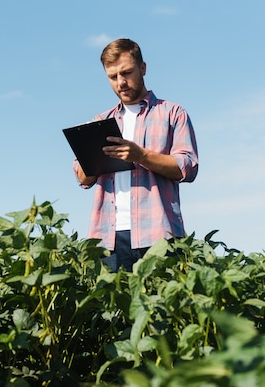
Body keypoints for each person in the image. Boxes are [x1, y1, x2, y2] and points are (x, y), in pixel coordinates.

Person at [73, 38, 199, 272]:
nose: (121, 82)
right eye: (113, 77)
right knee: (114, 309)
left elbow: (187, 167)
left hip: (159, 236)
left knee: (164, 307)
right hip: (107, 237)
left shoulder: (173, 113)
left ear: (143, 68)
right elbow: (82, 179)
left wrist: (140, 155)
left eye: (127, 72)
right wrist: (88, 154)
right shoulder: (101, 121)